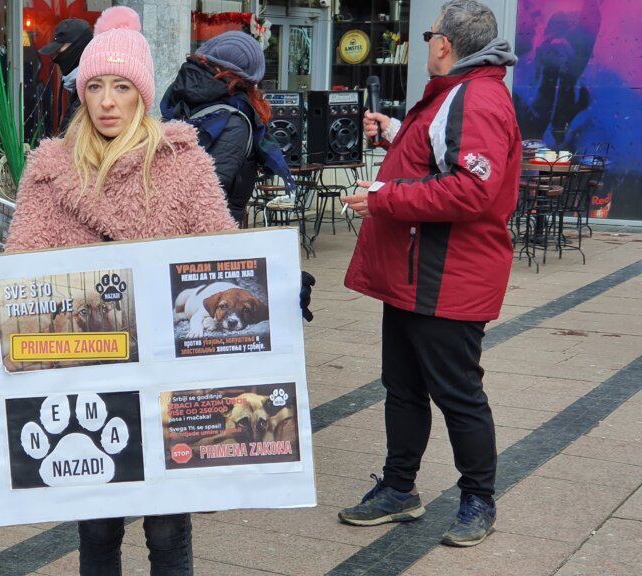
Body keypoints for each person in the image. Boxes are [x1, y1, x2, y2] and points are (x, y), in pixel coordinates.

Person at [5, 7, 238, 574]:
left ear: (143, 93)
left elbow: (221, 252)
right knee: (99, 531)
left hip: (167, 379)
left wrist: (274, 285)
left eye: (123, 86)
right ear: (82, 92)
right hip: (88, 375)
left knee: (167, 534)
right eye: (97, 86)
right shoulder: (51, 171)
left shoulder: (185, 166)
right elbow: (23, 261)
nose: (108, 101)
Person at [338, 0, 520, 548]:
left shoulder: (477, 97)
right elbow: (440, 158)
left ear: (445, 44)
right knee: (404, 389)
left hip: (448, 276)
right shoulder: (459, 93)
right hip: (418, 273)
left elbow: (473, 188)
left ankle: (478, 501)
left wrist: (384, 197)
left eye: (429, 36)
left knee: (458, 393)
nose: (427, 44)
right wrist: (396, 132)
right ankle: (399, 490)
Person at [161, 31, 293, 228]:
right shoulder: (235, 119)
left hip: (188, 226)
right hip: (210, 231)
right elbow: (212, 189)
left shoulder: (182, 103)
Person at [38, 18, 93, 133]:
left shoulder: (91, 92)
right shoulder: (79, 89)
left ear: (79, 46)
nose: (55, 57)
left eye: (59, 50)